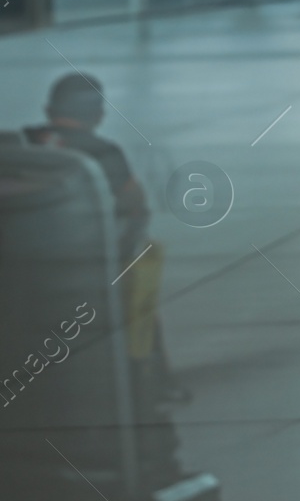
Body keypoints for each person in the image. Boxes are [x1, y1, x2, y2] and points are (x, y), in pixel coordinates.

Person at [24, 73, 187, 404]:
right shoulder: (103, 153)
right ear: (98, 115)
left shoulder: (24, 144)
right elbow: (135, 205)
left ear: (48, 108)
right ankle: (153, 380)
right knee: (139, 291)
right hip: (88, 266)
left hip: (22, 264)